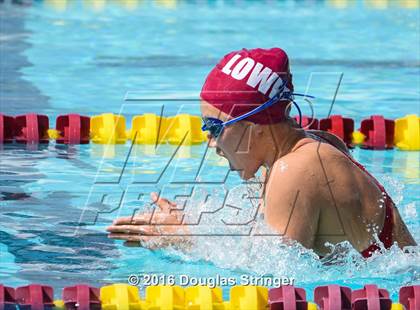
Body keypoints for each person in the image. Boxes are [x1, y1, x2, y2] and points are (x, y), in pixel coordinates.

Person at [107, 47, 416, 258]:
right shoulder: (309, 147)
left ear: (254, 125)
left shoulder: (295, 170)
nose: (210, 142)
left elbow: (277, 278)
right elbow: (263, 244)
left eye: (214, 127)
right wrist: (190, 224)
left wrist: (185, 241)